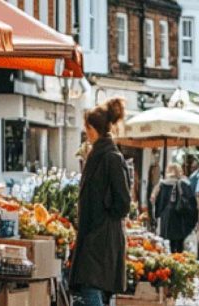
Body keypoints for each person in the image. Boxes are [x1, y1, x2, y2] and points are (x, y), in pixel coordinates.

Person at [69, 98, 132, 306]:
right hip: (96, 235)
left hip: (101, 237)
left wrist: (103, 218)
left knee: (90, 287)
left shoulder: (110, 157)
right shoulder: (99, 154)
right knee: (92, 289)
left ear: (92, 128)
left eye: (86, 128)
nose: (85, 132)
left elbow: (122, 202)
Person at [150, 164, 198, 254]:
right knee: (180, 239)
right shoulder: (184, 183)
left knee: (171, 240)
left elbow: (155, 200)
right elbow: (191, 200)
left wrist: (158, 214)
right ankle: (179, 255)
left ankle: (172, 255)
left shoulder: (162, 184)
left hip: (167, 215)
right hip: (180, 214)